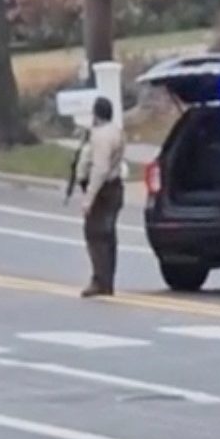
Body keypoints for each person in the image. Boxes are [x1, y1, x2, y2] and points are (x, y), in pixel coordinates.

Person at [76, 96, 126, 298]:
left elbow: (100, 169)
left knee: (95, 234)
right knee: (108, 235)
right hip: (115, 187)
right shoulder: (117, 132)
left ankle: (100, 280)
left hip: (104, 190)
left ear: (96, 114)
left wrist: (89, 198)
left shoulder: (101, 137)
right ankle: (108, 279)